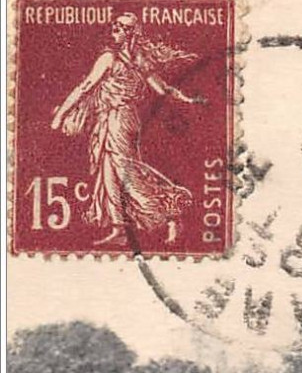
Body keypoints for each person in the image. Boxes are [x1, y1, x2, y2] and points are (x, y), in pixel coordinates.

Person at [50, 13, 206, 246]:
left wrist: (61, 115)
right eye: (114, 26)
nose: (114, 29)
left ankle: (170, 214)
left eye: (120, 27)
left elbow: (85, 87)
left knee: (126, 170)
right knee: (108, 171)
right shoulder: (137, 59)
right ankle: (119, 228)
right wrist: (187, 99)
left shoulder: (109, 58)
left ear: (130, 33)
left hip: (118, 119)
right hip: (116, 119)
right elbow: (164, 90)